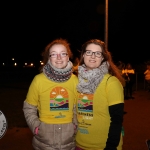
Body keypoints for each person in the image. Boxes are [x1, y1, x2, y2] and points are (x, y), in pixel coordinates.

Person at [23, 38, 78, 150]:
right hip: (43, 142)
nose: (59, 58)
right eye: (54, 54)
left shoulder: (75, 81)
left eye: (63, 54)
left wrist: (75, 125)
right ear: (48, 58)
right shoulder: (38, 80)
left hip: (69, 141)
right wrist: (36, 127)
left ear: (68, 57)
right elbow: (29, 107)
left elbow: (77, 107)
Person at [75, 39, 125, 150]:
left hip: (103, 146)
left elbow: (117, 119)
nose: (93, 56)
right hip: (79, 144)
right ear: (83, 55)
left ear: (102, 58)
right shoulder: (77, 81)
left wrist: (110, 147)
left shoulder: (111, 82)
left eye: (98, 53)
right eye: (89, 52)